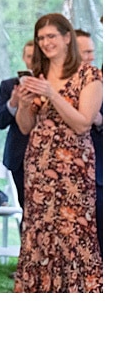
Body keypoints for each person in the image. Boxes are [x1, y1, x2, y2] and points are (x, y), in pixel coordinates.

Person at [13, 13, 102, 292]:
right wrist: (25, 104)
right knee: (39, 232)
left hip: (74, 167)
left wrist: (52, 94)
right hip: (39, 166)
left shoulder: (90, 75)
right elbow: (25, 127)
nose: (45, 42)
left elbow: (82, 122)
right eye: (41, 38)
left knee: (74, 232)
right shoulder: (38, 76)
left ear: (67, 38)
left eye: (51, 36)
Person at [0, 40, 35, 208]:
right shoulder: (10, 85)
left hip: (49, 157)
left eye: (37, 57)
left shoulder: (52, 85)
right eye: (30, 56)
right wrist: (13, 102)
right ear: (24, 58)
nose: (33, 61)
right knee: (26, 209)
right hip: (19, 156)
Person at [76, 28, 102, 256]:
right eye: (86, 52)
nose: (91, 57)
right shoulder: (55, 82)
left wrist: (101, 121)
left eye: (92, 52)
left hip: (100, 170)